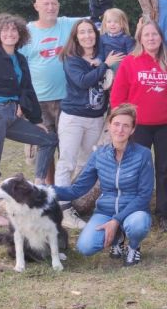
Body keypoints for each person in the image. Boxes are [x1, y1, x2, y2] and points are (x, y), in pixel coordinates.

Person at [0, 13, 57, 226]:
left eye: (14, 29)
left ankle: (39, 183)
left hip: (11, 115)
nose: (10, 33)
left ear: (20, 33)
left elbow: (27, 90)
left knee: (48, 139)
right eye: (5, 30)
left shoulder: (20, 59)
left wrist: (36, 119)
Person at [110, 19, 167, 234]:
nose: (151, 38)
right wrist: (121, 124)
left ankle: (165, 214)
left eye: (155, 34)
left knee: (164, 170)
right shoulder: (130, 62)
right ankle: (137, 212)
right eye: (147, 35)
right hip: (138, 126)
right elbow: (118, 95)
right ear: (140, 39)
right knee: (137, 170)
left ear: (161, 38)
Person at [53, 104, 154, 267]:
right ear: (109, 125)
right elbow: (77, 189)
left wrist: (116, 221)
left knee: (138, 225)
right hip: (105, 211)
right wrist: (45, 191)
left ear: (132, 130)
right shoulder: (99, 154)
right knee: (85, 247)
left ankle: (133, 246)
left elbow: (144, 196)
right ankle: (118, 237)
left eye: (126, 125)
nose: (120, 130)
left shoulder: (143, 154)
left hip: (133, 211)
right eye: (116, 124)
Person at [19, 0, 82, 182]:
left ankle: (65, 187)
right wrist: (19, 100)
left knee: (67, 145)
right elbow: (18, 69)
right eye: (45, 4)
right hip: (38, 101)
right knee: (45, 144)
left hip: (68, 98)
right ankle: (48, 186)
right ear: (36, 6)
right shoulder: (26, 33)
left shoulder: (69, 24)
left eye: (54, 3)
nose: (50, 7)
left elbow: (101, 21)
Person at [56, 19, 124, 188]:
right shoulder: (72, 59)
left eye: (90, 31)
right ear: (76, 37)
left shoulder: (103, 55)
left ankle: (78, 197)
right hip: (73, 117)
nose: (87, 36)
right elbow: (83, 81)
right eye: (82, 32)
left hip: (96, 118)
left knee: (87, 162)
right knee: (67, 162)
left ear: (96, 34)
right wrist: (105, 65)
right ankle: (62, 202)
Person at [100, 8, 135, 76]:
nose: (112, 24)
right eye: (109, 22)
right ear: (105, 24)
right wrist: (98, 60)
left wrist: (126, 61)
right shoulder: (102, 38)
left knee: (117, 65)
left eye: (116, 22)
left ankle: (115, 79)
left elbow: (131, 54)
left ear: (123, 24)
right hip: (106, 63)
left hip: (121, 64)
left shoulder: (127, 39)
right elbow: (100, 53)